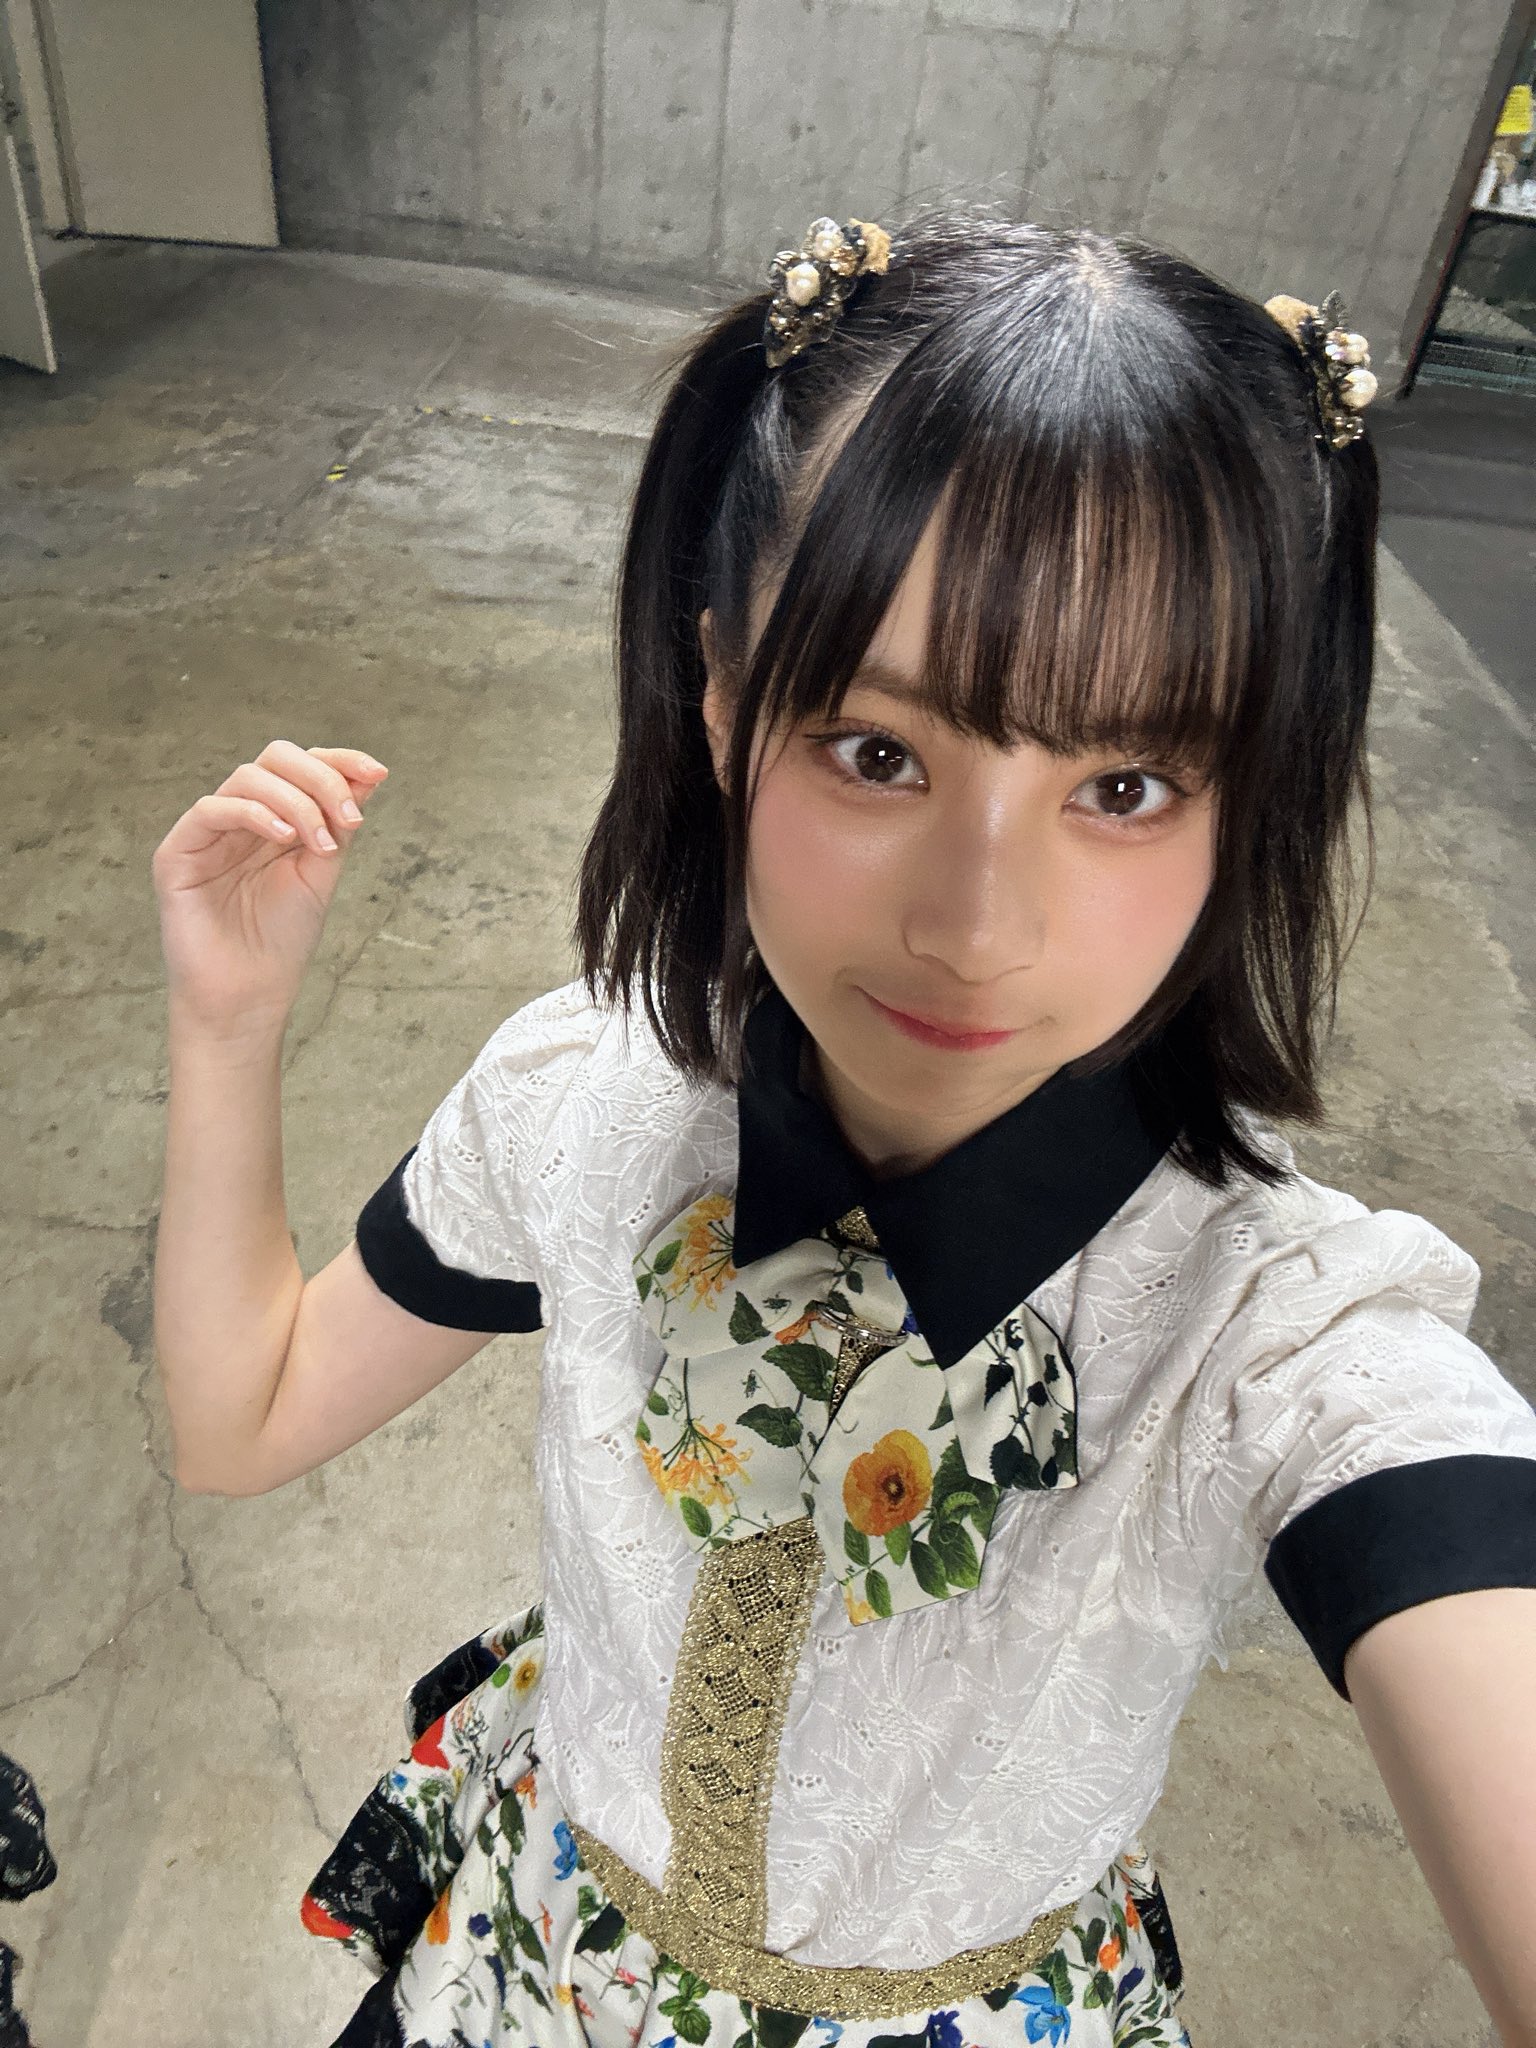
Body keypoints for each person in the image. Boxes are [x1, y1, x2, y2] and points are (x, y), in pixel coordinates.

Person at [150, 207, 1536, 2048]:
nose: (976, 924)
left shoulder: (1275, 1330)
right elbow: (240, 1416)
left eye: (1125, 785)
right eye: (880, 753)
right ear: (724, 702)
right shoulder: (587, 1098)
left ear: (1249, 796)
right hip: (524, 1974)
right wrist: (228, 1024)